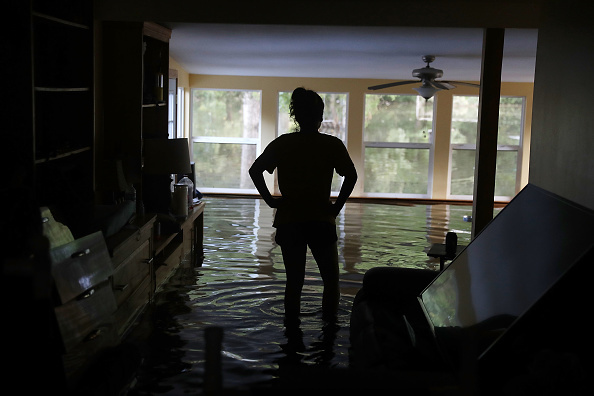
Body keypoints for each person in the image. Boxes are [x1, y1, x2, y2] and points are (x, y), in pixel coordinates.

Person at [249, 87, 358, 324]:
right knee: (331, 281)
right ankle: (329, 332)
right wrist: (337, 207)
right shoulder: (332, 145)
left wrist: (270, 200)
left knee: (294, 282)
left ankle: (292, 336)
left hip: (290, 220)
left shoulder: (283, 143)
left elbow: (255, 170)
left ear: (296, 116)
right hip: (321, 219)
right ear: (320, 116)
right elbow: (351, 176)